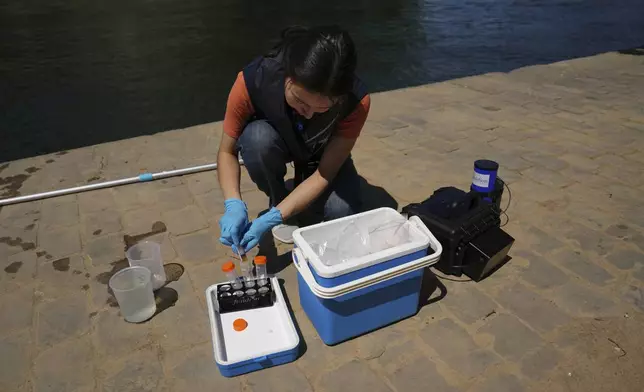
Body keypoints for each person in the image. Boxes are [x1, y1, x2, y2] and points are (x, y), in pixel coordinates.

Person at [216, 25, 371, 254]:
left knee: (342, 212)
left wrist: (276, 217)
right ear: (288, 75)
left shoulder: (356, 102)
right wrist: (233, 203)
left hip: (322, 153)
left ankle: (288, 206)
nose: (307, 113)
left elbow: (324, 174)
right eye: (300, 101)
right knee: (256, 139)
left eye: (320, 109)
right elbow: (226, 152)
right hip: (279, 140)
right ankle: (278, 199)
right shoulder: (251, 80)